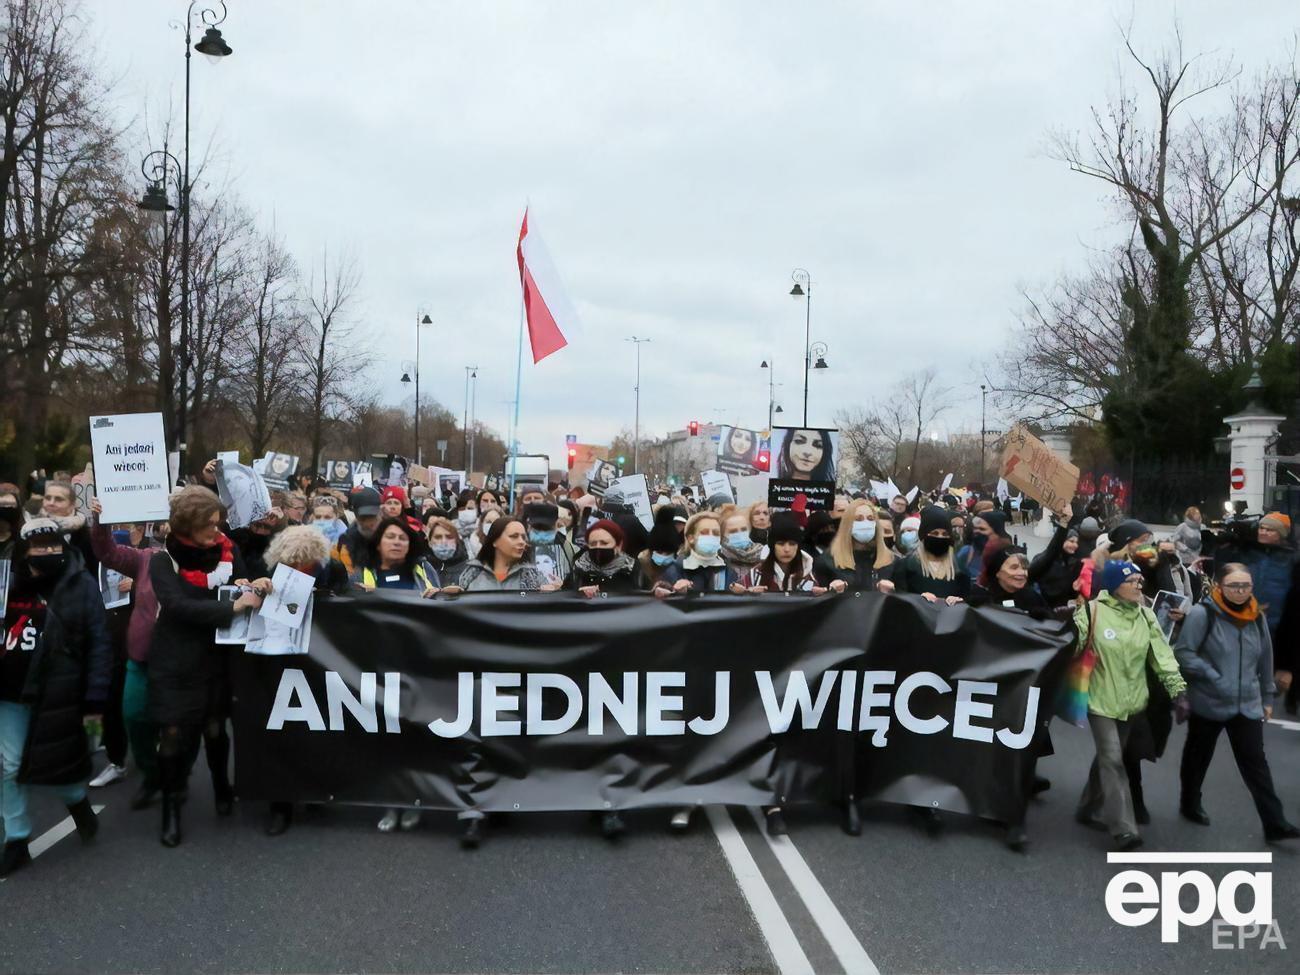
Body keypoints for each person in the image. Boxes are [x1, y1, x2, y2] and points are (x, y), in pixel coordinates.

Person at [148, 487, 266, 848]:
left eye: (218, 524)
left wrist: (251, 584)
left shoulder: (227, 550)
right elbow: (175, 605)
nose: (217, 532)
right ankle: (171, 808)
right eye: (208, 526)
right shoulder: (162, 560)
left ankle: (221, 787)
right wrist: (230, 609)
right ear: (186, 526)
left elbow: (239, 583)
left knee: (215, 729)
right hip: (175, 660)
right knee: (172, 736)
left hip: (216, 657)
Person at [0, 518, 110, 877]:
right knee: (9, 765)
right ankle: (16, 838)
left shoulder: (81, 584)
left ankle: (77, 802)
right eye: (39, 546)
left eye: (54, 545)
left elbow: (99, 641)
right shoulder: (6, 584)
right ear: (23, 550)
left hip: (60, 691)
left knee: (57, 762)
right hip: (9, 692)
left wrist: (95, 697)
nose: (48, 552)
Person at [1174, 563, 1298, 841]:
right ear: (1219, 586)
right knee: (1198, 756)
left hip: (1247, 703)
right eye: (1234, 586)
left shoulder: (1256, 616)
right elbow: (1184, 653)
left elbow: (1266, 659)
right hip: (1209, 701)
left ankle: (1274, 822)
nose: (1241, 591)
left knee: (1255, 762)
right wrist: (1213, 676)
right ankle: (1190, 802)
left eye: (1246, 586)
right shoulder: (1202, 614)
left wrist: (1267, 697)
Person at [1074, 560, 1188, 851]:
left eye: (1140, 580)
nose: (1140, 585)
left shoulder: (1146, 616)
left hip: (1134, 702)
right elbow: (1073, 647)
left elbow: (1161, 655)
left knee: (1108, 757)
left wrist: (1178, 689)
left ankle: (1087, 806)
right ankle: (1124, 829)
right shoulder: (1092, 611)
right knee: (1112, 759)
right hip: (1100, 699)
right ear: (1114, 585)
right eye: (1132, 581)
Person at [261, 526, 349, 837]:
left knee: (317, 729)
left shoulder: (332, 568)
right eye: (294, 565)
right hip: (279, 662)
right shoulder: (272, 571)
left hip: (320, 662)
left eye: (306, 564)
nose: (300, 570)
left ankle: (315, 793)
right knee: (280, 733)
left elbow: (349, 609)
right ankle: (280, 805)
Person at [87, 498, 165, 810]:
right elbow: (107, 552)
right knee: (133, 715)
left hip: (179, 658)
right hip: (141, 654)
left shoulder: (201, 558)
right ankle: (149, 771)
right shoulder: (147, 558)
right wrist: (101, 520)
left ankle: (168, 787)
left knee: (174, 725)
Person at [814, 499, 895, 593]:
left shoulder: (892, 561)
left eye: (870, 518)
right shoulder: (827, 561)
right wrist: (829, 592)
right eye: (858, 519)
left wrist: (892, 592)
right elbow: (819, 599)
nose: (865, 523)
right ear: (847, 524)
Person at [893, 506, 969, 604]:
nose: (940, 537)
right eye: (935, 533)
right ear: (923, 535)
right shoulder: (907, 565)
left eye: (945, 534)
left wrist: (960, 601)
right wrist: (917, 599)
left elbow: (968, 598)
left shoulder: (959, 567)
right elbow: (899, 597)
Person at [454, 517, 550, 593]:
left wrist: (555, 592)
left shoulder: (534, 576)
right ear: (494, 541)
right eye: (514, 536)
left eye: (523, 537)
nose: (521, 542)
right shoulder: (471, 574)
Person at [655, 512, 737, 596]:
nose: (711, 537)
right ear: (691, 538)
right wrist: (674, 591)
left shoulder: (728, 570)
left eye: (716, 533)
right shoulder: (674, 571)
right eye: (704, 533)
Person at [356, 518, 439, 594]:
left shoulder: (424, 567)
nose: (396, 542)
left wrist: (437, 594)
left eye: (402, 538)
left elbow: (440, 603)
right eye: (390, 537)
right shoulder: (360, 572)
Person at [746, 513, 824, 593]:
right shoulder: (755, 575)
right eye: (781, 544)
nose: (787, 549)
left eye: (792, 544)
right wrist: (746, 593)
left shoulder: (808, 577)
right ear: (772, 546)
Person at [572, 519, 638, 598]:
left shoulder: (631, 568)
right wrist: (580, 594)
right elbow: (568, 594)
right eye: (593, 543)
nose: (598, 547)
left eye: (604, 543)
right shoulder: (578, 568)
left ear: (619, 545)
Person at [335, 486, 382, 576]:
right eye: (365, 518)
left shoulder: (394, 536)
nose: (370, 522)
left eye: (373, 516)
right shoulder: (347, 543)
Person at [956, 509, 1012, 583]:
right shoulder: (966, 552)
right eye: (976, 528)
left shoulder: (1007, 552)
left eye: (982, 529)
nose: (977, 532)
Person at [636, 508, 682, 591]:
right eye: (659, 551)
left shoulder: (678, 567)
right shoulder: (641, 564)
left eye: (668, 552)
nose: (663, 556)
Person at [717, 505, 766, 581]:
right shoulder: (718, 563)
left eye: (743, 530)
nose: (740, 534)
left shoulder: (764, 558)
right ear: (722, 536)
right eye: (733, 531)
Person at [425, 516, 469, 582]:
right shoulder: (423, 569)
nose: (444, 542)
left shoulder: (469, 570)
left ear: (457, 541)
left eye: (449, 537)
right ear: (429, 542)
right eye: (438, 537)